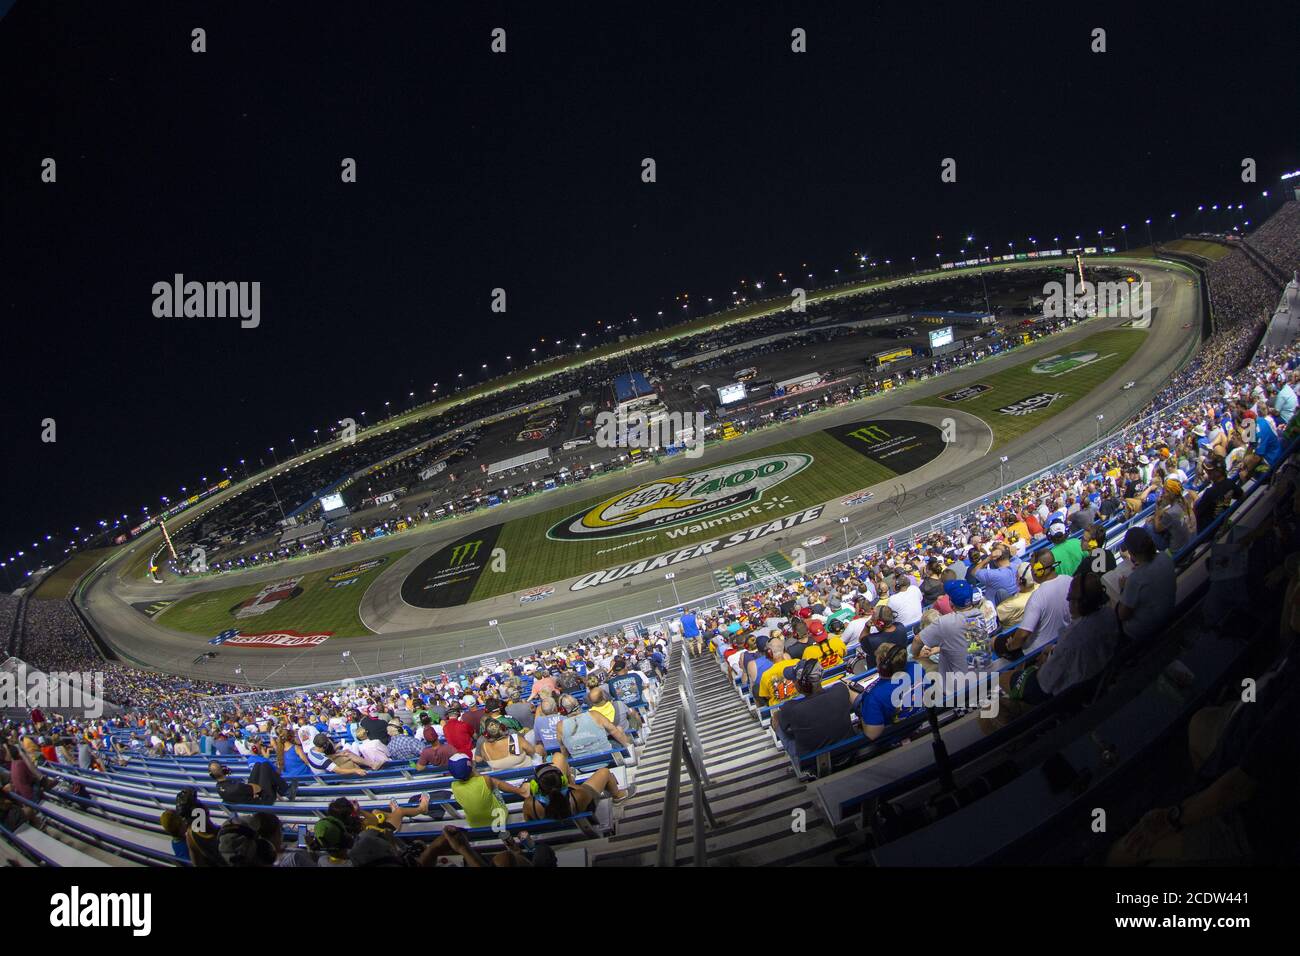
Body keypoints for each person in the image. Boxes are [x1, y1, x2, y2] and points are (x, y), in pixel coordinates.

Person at [522, 750, 631, 821]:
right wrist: (571, 783)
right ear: (563, 781)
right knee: (604, 772)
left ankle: (570, 775)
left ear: (536, 787)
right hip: (578, 807)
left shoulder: (529, 804)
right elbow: (586, 794)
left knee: (558, 757)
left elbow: (528, 823)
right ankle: (618, 795)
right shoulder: (579, 795)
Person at [775, 661, 852, 757]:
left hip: (813, 764)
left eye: (794, 680)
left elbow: (787, 730)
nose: (793, 683)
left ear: (800, 683)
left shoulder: (790, 708)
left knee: (775, 717)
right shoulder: (840, 690)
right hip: (850, 751)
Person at [1003, 550, 1072, 656]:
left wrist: (1011, 646)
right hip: (1066, 638)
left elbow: (1023, 634)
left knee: (998, 642)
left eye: (1032, 567)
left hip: (1037, 652)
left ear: (1039, 570)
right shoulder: (1070, 580)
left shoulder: (1038, 596)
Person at [1116, 526, 1177, 641]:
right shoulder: (1165, 557)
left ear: (1131, 552)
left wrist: (1123, 588)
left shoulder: (1135, 579)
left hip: (1143, 631)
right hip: (1168, 614)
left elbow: (1122, 615)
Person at [853, 643, 925, 740]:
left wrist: (862, 713)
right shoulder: (917, 667)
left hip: (895, 737)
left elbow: (872, 734)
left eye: (878, 661)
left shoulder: (873, 696)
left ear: (883, 667)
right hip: (918, 721)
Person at [447, 753, 531, 828]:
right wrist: (475, 772)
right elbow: (491, 782)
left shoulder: (454, 786)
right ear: (471, 766)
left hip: (474, 824)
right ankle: (521, 791)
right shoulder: (484, 779)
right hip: (499, 819)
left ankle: (521, 791)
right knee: (495, 783)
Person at [556, 695, 631, 759]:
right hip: (607, 758)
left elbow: (563, 750)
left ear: (562, 710)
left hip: (582, 766)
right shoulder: (594, 715)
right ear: (578, 703)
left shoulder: (560, 726)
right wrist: (627, 747)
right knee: (619, 729)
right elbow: (614, 730)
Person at [209, 759, 296, 806]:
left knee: (258, 765)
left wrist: (248, 787)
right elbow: (257, 789)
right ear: (224, 770)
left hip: (249, 794)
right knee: (265, 766)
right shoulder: (236, 786)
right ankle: (286, 791)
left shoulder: (219, 787)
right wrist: (250, 787)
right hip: (263, 800)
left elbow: (247, 789)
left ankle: (284, 789)